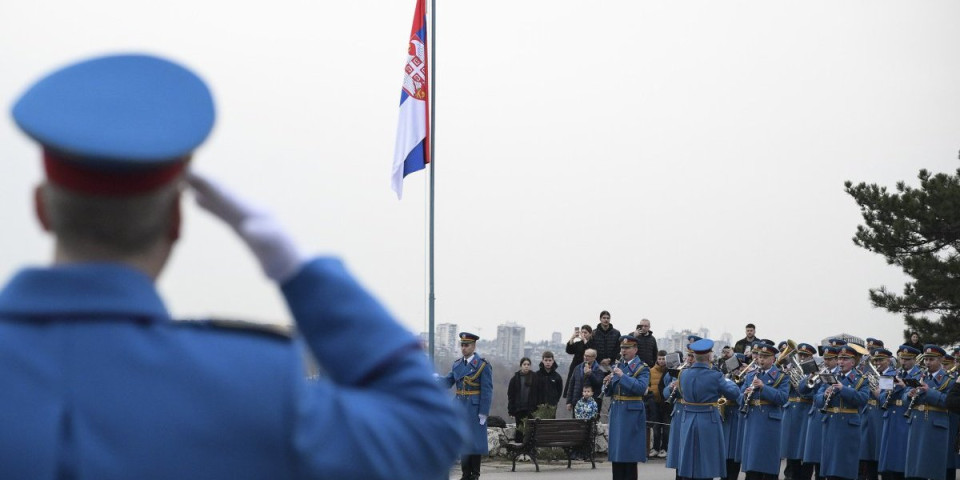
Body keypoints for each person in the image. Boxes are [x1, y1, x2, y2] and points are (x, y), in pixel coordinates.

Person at [0, 53, 461, 480]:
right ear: (177, 221)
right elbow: (426, 429)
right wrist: (299, 272)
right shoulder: (251, 386)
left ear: (40, 209)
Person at [675, 338, 742, 480]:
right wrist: (730, 381)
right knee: (706, 463)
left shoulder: (683, 374)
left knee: (689, 461)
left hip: (687, 419)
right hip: (708, 420)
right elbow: (734, 393)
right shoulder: (715, 375)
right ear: (709, 356)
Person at [441, 332, 493, 480]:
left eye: (467, 345)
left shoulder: (482, 365)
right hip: (460, 407)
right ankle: (465, 474)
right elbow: (448, 381)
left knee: (475, 442)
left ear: (474, 346)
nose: (464, 348)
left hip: (475, 408)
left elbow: (487, 390)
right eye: (462, 345)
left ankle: (474, 474)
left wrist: (484, 412)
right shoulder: (457, 364)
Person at [816, 345, 870, 480]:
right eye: (839, 359)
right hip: (830, 425)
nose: (841, 362)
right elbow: (816, 399)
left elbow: (863, 399)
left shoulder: (860, 379)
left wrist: (843, 389)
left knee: (845, 468)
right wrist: (824, 395)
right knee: (830, 469)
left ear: (852, 362)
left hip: (848, 427)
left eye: (845, 359)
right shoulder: (830, 377)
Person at [903, 345, 957, 480]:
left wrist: (930, 392)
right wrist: (909, 395)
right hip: (916, 423)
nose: (927, 363)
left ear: (941, 360)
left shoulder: (949, 379)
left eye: (931, 359)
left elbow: (950, 402)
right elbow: (904, 398)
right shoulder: (918, 376)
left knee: (933, 467)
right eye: (926, 359)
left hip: (935, 425)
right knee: (914, 468)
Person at [739, 341, 790, 480]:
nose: (761, 359)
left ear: (773, 359)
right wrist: (745, 395)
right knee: (752, 464)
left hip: (770, 422)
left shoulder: (781, 376)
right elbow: (739, 396)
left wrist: (763, 387)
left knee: (767, 462)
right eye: (760, 356)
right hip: (753, 419)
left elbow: (783, 398)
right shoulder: (751, 375)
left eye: (765, 357)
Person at [603, 335, 651, 480]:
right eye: (622, 348)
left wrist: (622, 376)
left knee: (629, 453)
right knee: (617, 453)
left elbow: (642, 388)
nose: (623, 351)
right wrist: (607, 383)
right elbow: (610, 391)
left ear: (635, 349)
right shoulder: (618, 366)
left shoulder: (642, 368)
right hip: (617, 411)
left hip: (631, 412)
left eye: (627, 348)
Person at [878, 345, 921, 480]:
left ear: (914, 360)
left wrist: (905, 387)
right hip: (892, 419)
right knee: (891, 463)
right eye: (902, 359)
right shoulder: (891, 374)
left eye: (907, 359)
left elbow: (919, 396)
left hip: (907, 420)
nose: (903, 362)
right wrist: (893, 389)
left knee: (906, 462)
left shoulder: (920, 375)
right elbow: (881, 397)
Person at [781, 343, 816, 480]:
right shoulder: (791, 370)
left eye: (805, 356)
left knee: (806, 453)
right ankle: (789, 476)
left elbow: (816, 393)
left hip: (806, 412)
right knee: (791, 450)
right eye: (800, 355)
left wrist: (801, 388)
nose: (801, 358)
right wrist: (786, 377)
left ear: (811, 357)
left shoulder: (814, 372)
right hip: (791, 414)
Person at [508, 357, 540, 442]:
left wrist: (538, 407)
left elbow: (538, 393)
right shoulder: (515, 378)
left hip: (531, 409)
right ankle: (518, 450)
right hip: (519, 409)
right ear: (521, 366)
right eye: (524, 364)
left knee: (531, 430)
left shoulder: (535, 377)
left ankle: (530, 450)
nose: (526, 366)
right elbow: (511, 395)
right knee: (520, 430)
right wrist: (511, 410)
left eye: (528, 365)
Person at [567, 348, 605, 414]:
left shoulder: (599, 370)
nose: (585, 358)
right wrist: (569, 401)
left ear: (594, 357)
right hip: (577, 402)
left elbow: (599, 384)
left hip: (592, 404)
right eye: (585, 355)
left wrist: (590, 375)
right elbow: (571, 385)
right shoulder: (578, 368)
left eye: (588, 356)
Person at [565, 325, 596, 398]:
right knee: (574, 388)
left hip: (588, 368)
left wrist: (585, 341)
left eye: (585, 333)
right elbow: (569, 350)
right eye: (582, 333)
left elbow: (592, 351)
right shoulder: (578, 343)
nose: (583, 334)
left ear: (590, 334)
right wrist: (572, 338)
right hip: (576, 367)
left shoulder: (593, 343)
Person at [648, 350, 669, 458]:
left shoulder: (670, 370)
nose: (661, 361)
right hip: (655, 402)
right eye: (659, 358)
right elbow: (648, 384)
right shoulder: (651, 371)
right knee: (656, 427)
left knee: (666, 428)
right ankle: (655, 448)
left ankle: (664, 448)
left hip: (666, 403)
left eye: (663, 359)